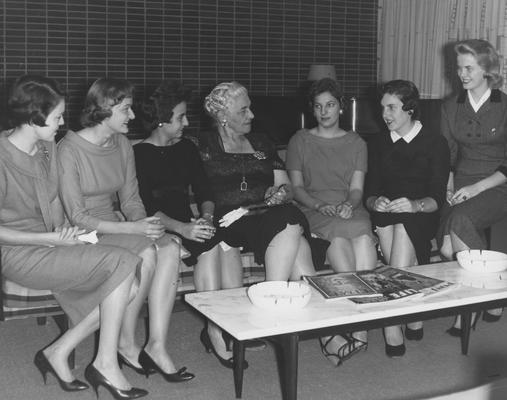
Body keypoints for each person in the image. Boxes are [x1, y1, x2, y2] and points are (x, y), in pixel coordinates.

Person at [0, 75, 147, 399]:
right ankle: (105, 364)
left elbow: (54, 203)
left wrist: (70, 233)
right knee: (123, 265)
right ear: (32, 118)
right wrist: (49, 239)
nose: (64, 123)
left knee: (131, 283)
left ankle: (60, 350)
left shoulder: (47, 146)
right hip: (18, 253)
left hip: (55, 241)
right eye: (57, 117)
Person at [57, 78, 194, 383]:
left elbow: (131, 199)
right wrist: (133, 229)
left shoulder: (121, 144)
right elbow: (77, 216)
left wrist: (146, 226)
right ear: (104, 110)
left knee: (168, 247)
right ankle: (126, 342)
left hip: (116, 223)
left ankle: (157, 345)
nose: (133, 117)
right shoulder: (69, 149)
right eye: (126, 109)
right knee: (144, 253)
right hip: (83, 232)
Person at [134, 80, 244, 369]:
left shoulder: (186, 148)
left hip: (190, 223)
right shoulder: (139, 155)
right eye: (180, 117)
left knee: (226, 242)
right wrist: (182, 228)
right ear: (161, 120)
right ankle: (214, 331)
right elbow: (145, 207)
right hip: (161, 226)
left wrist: (206, 217)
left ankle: (234, 326)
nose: (186, 122)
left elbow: (206, 192)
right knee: (209, 247)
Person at [286, 77, 376, 364]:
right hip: (314, 209)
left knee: (361, 235)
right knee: (338, 238)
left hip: (349, 209)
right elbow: (297, 189)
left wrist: (349, 205)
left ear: (340, 108)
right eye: (318, 106)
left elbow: (357, 190)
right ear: (312, 110)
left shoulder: (356, 142)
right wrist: (319, 205)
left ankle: (359, 323)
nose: (324, 111)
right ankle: (358, 322)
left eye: (330, 105)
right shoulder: (300, 140)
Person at [365, 79, 450, 357]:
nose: (385, 114)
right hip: (385, 212)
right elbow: (370, 191)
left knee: (403, 230)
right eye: (383, 108)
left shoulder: (435, 142)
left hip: (421, 214)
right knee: (396, 237)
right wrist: (375, 200)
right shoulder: (377, 142)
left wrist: (414, 204)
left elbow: (437, 196)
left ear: (410, 109)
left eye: (391, 108)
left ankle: (391, 323)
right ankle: (414, 316)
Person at [438, 39, 507, 332]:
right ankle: (492, 292)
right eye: (459, 68)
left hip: (497, 184)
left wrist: (477, 188)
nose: (462, 74)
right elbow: (448, 155)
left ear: (487, 70)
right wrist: (449, 187)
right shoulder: (451, 106)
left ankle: (468, 308)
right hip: (461, 183)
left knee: (459, 222)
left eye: (469, 68)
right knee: (444, 247)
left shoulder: (505, 106)